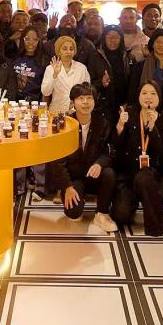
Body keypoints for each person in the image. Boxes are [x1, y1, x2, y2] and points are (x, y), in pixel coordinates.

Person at [47, 84, 118, 232]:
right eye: (81, 98)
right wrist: (67, 186)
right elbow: (57, 160)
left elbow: (109, 152)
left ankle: (102, 213)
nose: (85, 102)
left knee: (109, 173)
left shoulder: (102, 123)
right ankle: (78, 198)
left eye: (89, 98)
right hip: (74, 178)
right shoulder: (65, 124)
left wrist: (99, 164)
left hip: (94, 174)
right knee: (73, 213)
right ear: (73, 102)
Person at [110, 82, 163, 236]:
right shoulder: (129, 114)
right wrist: (120, 125)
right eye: (144, 93)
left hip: (150, 174)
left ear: (159, 98)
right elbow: (116, 145)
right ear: (138, 96)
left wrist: (152, 128)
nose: (148, 97)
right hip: (127, 173)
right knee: (120, 215)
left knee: (144, 177)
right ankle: (131, 201)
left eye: (153, 93)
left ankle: (155, 226)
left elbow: (162, 153)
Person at [129, 31, 163, 122]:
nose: (161, 45)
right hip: (146, 107)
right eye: (157, 41)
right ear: (152, 44)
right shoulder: (141, 65)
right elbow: (133, 89)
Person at [41, 35, 91, 115]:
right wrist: (55, 75)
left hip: (77, 112)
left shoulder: (82, 68)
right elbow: (46, 92)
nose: (68, 52)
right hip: (56, 112)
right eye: (64, 49)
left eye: (71, 49)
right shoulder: (50, 68)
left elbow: (87, 91)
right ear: (59, 52)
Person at [95, 25, 132, 115]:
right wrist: (101, 83)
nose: (112, 40)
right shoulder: (95, 57)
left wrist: (129, 101)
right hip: (103, 105)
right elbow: (89, 83)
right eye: (109, 37)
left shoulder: (129, 56)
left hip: (124, 104)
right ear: (104, 38)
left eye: (116, 37)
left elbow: (133, 82)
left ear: (121, 39)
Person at [12, 26, 46, 102]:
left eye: (35, 39)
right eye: (27, 39)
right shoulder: (15, 58)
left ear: (39, 41)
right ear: (22, 40)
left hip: (34, 103)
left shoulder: (44, 61)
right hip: (14, 101)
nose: (31, 42)